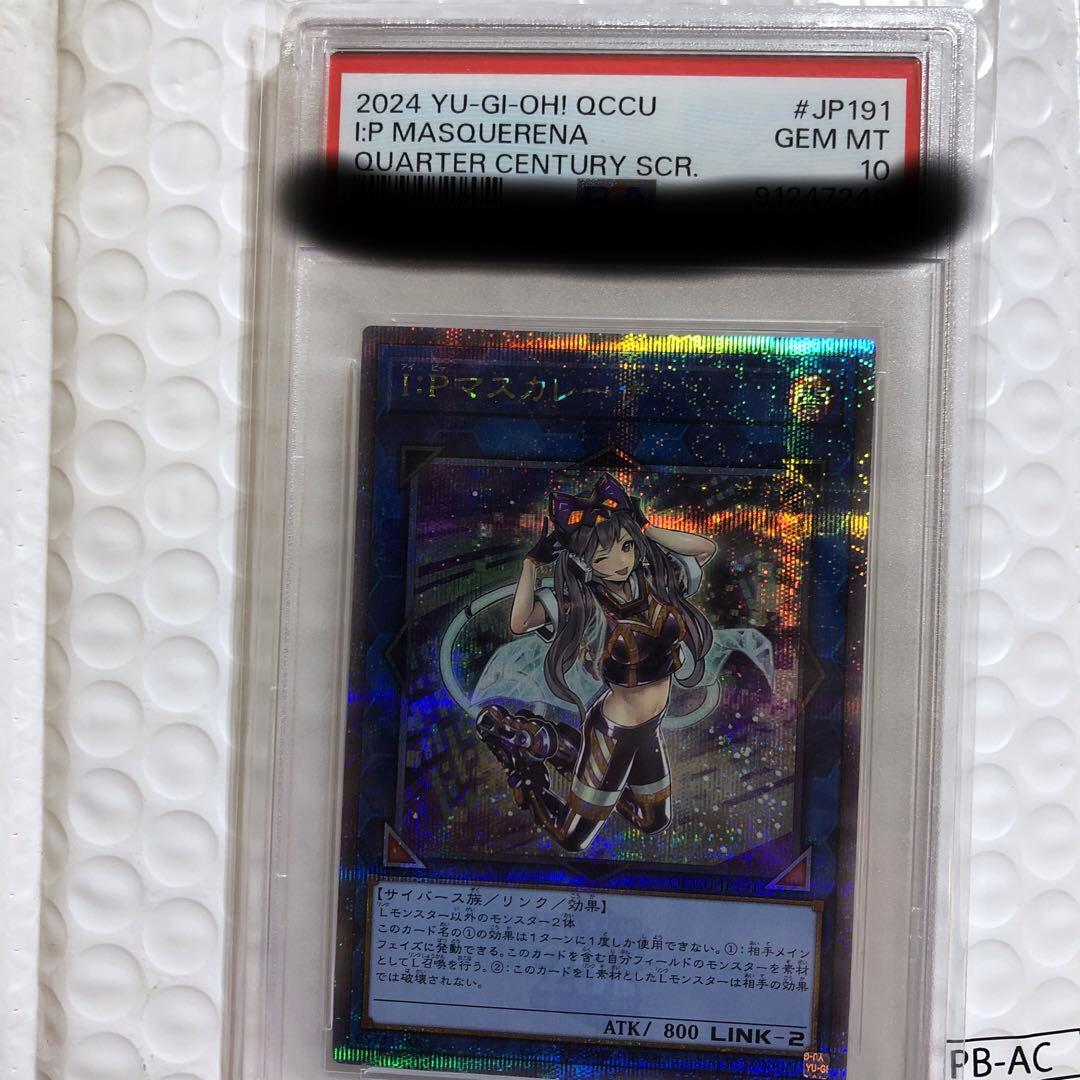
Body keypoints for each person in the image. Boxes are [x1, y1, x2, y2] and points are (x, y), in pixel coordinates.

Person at [475, 473, 717, 853]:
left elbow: (704, 549)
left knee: (653, 820)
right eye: (602, 557)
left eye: (625, 546)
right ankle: (527, 749)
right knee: (572, 838)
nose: (619, 562)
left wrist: (645, 527)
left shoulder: (658, 580)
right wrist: (530, 564)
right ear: (585, 562)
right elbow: (520, 623)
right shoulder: (586, 603)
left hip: (649, 726)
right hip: (613, 731)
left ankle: (552, 744)